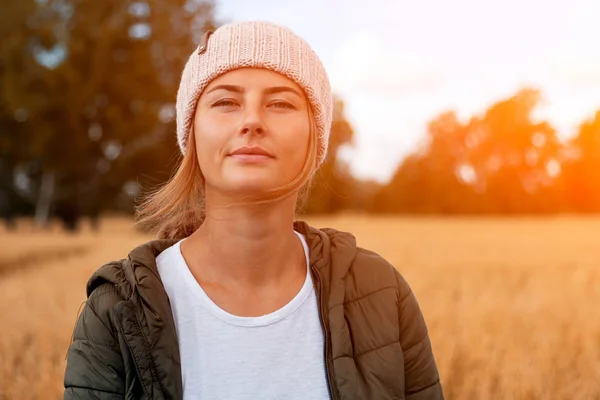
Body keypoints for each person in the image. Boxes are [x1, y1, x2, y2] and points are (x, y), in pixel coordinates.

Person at [63, 21, 444, 400]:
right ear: (192, 132)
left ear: (316, 134)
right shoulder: (116, 310)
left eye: (280, 103)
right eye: (225, 102)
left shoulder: (382, 293)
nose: (251, 122)